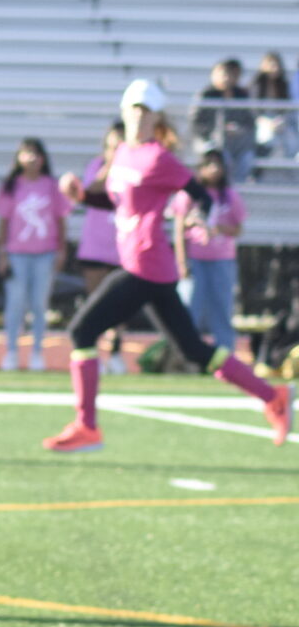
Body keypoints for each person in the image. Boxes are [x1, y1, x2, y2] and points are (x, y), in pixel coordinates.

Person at [44, 80, 289, 454]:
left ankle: (87, 426)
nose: (139, 116)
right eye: (135, 108)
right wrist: (81, 196)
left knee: (82, 332)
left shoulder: (158, 157)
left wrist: (200, 219)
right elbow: (116, 202)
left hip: (145, 264)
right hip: (149, 269)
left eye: (147, 110)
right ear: (124, 110)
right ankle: (272, 395)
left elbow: (201, 195)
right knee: (192, 350)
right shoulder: (124, 152)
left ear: (157, 116)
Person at [0, 138, 64, 372]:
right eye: (27, 153)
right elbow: (3, 221)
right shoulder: (11, 186)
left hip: (44, 253)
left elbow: (60, 218)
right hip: (17, 254)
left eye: (36, 154)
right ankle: (11, 351)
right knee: (15, 303)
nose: (32, 159)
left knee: (39, 304)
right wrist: (2, 253)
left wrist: (61, 249)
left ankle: (37, 352)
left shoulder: (51, 185)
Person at [172, 148, 245, 360]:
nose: (214, 169)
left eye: (218, 165)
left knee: (221, 309)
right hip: (195, 259)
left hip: (222, 260)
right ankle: (186, 356)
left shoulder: (229, 196)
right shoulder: (189, 194)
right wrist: (181, 262)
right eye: (209, 164)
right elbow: (179, 229)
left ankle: (224, 357)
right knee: (188, 310)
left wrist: (220, 229)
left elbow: (238, 228)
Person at [73, 119, 129, 373]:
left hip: (123, 246)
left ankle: (115, 352)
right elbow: (89, 192)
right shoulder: (96, 166)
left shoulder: (134, 169)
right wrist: (109, 166)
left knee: (120, 304)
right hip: (95, 246)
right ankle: (92, 352)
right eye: (111, 145)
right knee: (95, 302)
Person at [188, 59, 255, 186]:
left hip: (236, 142)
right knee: (222, 157)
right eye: (222, 74)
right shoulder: (206, 95)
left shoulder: (241, 94)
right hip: (210, 139)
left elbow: (249, 121)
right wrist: (214, 132)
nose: (226, 78)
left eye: (228, 74)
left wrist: (238, 129)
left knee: (247, 158)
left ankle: (238, 190)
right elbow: (195, 122)